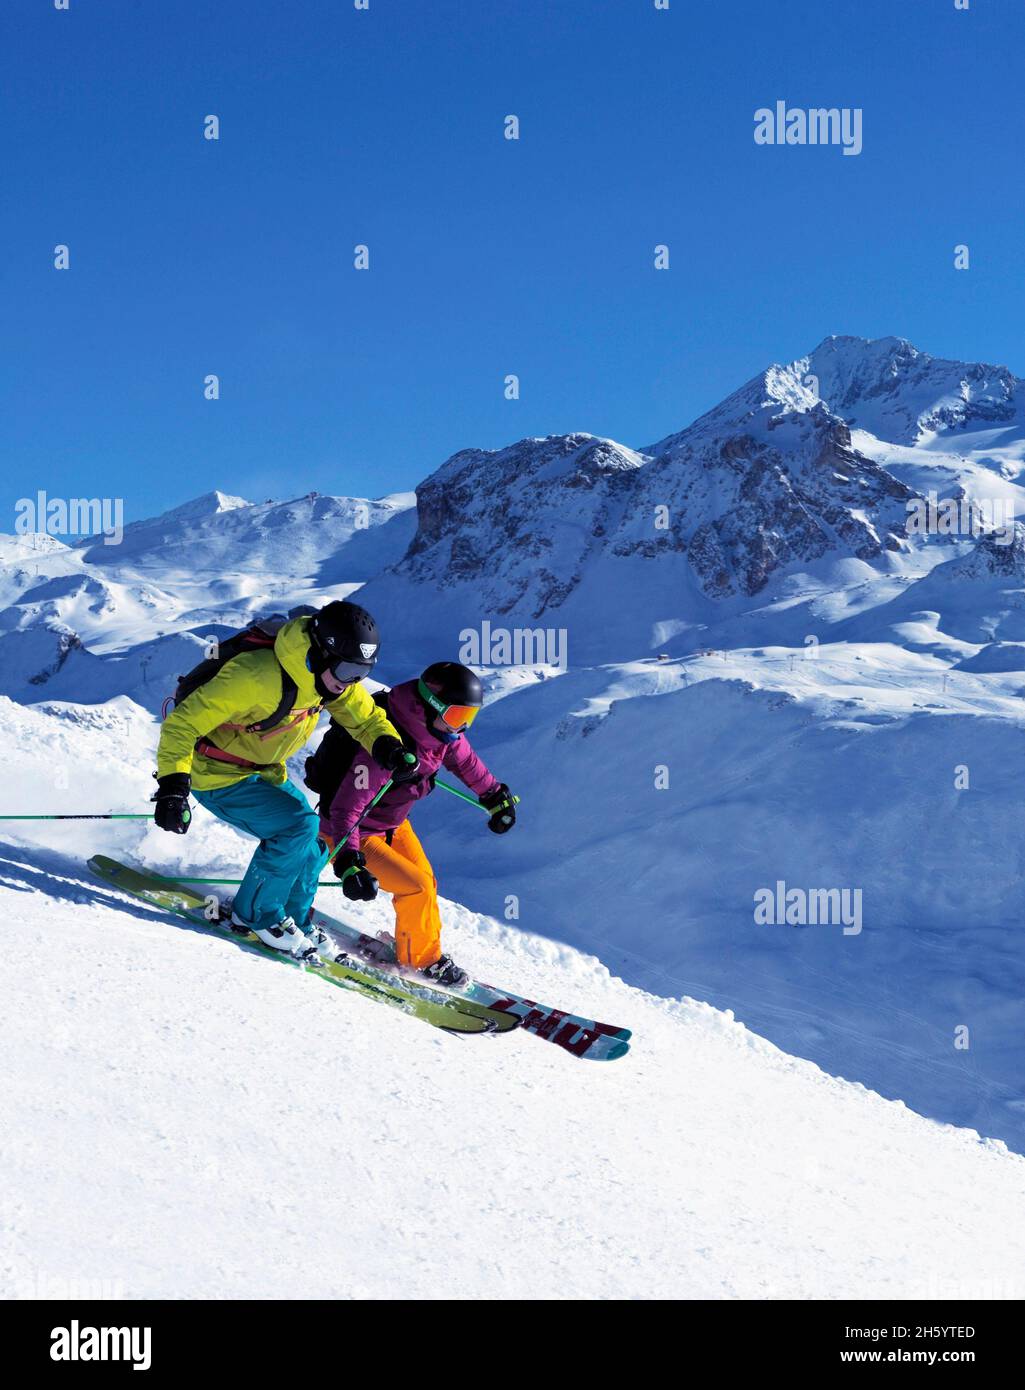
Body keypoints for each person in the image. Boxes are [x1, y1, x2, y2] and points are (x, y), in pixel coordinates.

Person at [151, 601, 418, 960]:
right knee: (297, 827)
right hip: (215, 772)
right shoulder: (255, 677)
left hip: (261, 770)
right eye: (347, 669)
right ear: (320, 654)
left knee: (313, 845)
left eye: (361, 671)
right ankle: (257, 916)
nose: (351, 682)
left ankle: (293, 917)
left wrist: (389, 747)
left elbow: (366, 719)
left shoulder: (332, 680)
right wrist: (172, 787)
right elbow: (182, 724)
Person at [313, 661, 516, 987]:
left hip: (391, 826)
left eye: (468, 719)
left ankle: (418, 951)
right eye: (456, 717)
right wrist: (349, 863)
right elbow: (346, 809)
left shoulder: (437, 733)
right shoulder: (391, 744)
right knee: (416, 887)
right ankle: (422, 964)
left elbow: (464, 760)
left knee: (426, 882)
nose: (460, 728)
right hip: (352, 831)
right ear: (432, 705)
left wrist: (493, 795)